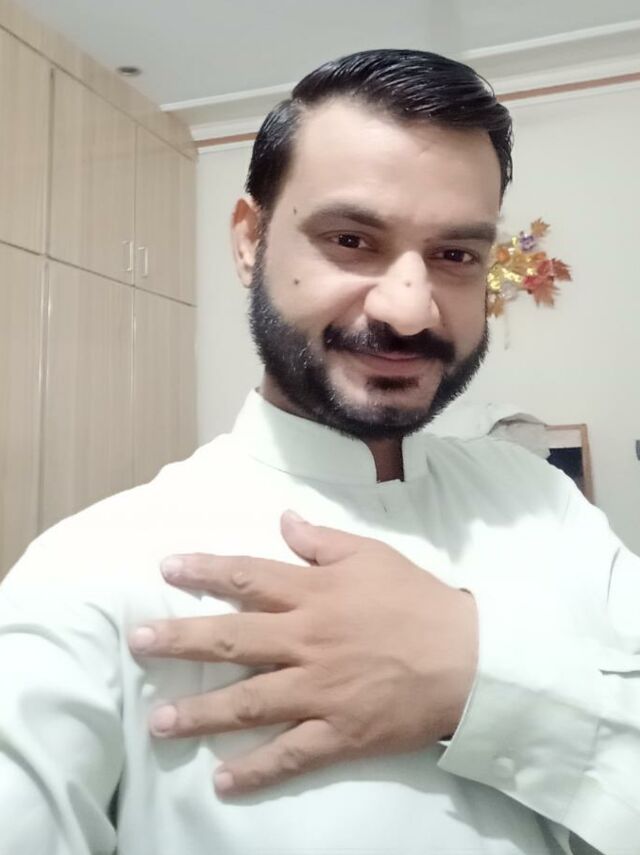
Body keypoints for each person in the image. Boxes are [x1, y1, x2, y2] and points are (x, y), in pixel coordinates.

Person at [0, 48, 637, 855]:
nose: (409, 309)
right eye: (351, 239)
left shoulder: (546, 503)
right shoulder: (92, 570)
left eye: (455, 255)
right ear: (249, 241)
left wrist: (475, 676)